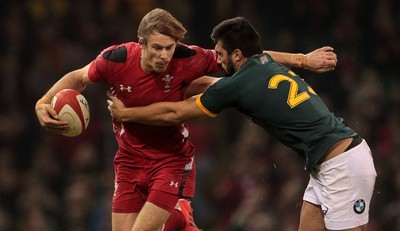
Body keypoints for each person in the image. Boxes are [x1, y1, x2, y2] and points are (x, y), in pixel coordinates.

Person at [35, 8, 337, 231]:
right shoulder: (115, 60)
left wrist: (302, 60)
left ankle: (178, 213)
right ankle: (180, 218)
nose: (164, 55)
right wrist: (43, 102)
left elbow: (249, 57)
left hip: (171, 160)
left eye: (169, 48)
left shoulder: (186, 58)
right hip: (128, 161)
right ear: (141, 43)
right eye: (157, 48)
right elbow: (77, 78)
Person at [107, 17, 377, 231]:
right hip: (328, 163)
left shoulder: (236, 85)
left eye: (221, 54)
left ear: (237, 54)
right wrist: (302, 60)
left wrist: (128, 114)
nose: (218, 60)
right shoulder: (264, 63)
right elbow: (254, 64)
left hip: (342, 165)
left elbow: (174, 114)